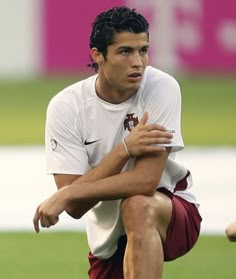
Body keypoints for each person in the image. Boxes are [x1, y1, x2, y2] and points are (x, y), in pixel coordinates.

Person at [33, 6, 202, 279]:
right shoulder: (66, 107)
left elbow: (145, 182)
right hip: (107, 238)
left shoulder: (161, 87)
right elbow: (75, 207)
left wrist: (67, 193)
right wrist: (124, 150)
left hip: (171, 211)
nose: (138, 62)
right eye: (125, 52)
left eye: (143, 50)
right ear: (97, 55)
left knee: (137, 204)